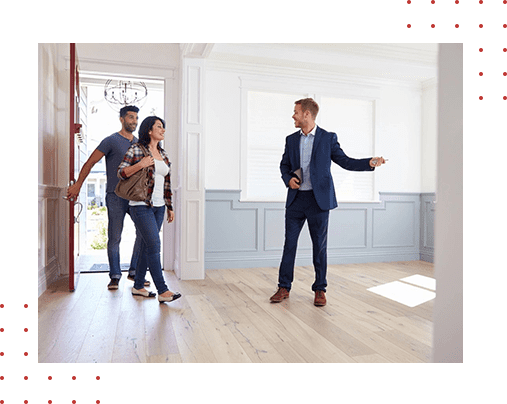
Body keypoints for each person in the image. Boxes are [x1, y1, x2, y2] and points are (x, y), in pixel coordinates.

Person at [270, 98, 386, 307]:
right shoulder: (290, 140)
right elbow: (284, 165)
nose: (293, 116)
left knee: (320, 247)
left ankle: (320, 289)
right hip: (296, 201)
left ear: (307, 114)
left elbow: (346, 161)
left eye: (296, 112)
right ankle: (284, 287)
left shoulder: (327, 138)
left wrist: (369, 163)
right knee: (289, 245)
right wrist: (288, 179)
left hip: (319, 202)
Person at [66, 105, 149, 290]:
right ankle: (115, 275)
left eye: (136, 118)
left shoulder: (139, 144)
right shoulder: (110, 141)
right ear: (122, 119)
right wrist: (78, 184)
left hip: (136, 197)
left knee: (143, 234)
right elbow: (90, 163)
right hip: (115, 196)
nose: (134, 121)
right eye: (130, 117)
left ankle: (135, 272)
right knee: (114, 237)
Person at [117, 116, 181, 303]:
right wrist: (140, 164)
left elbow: (167, 183)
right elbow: (121, 172)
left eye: (164, 127)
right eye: (159, 127)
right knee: (154, 245)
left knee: (146, 245)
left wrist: (170, 207)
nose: (163, 130)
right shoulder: (136, 149)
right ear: (149, 130)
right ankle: (162, 290)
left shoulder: (164, 154)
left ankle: (138, 286)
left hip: (159, 207)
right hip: (141, 206)